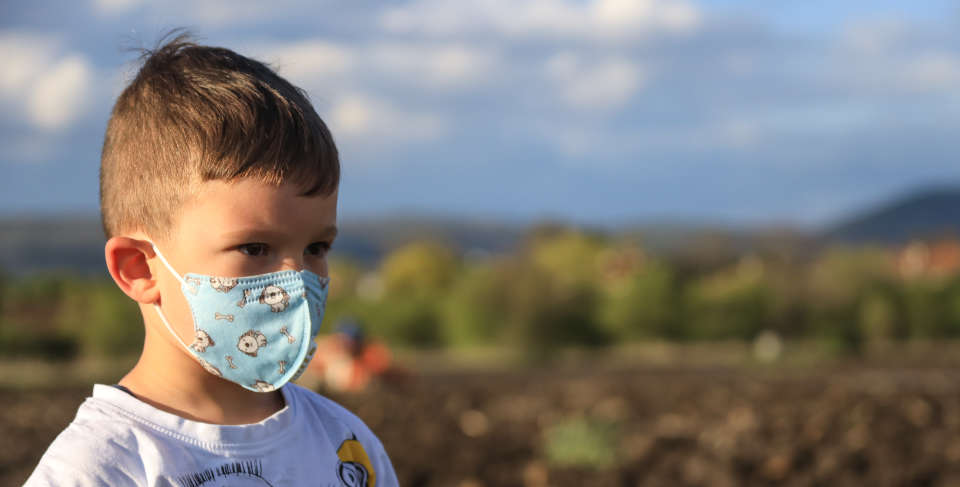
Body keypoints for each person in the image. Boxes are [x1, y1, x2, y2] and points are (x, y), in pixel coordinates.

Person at [25, 33, 398, 487]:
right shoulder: (100, 468)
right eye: (254, 248)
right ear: (139, 269)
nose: (296, 279)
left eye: (316, 248)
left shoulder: (349, 446)